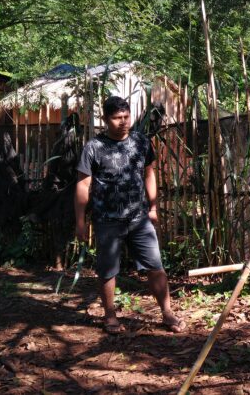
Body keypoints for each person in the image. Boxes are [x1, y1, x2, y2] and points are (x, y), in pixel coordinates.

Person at [75, 96, 185, 335]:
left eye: (126, 117)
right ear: (105, 119)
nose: (123, 122)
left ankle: (167, 313)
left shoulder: (141, 142)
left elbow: (149, 174)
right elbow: (83, 185)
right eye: (117, 118)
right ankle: (110, 316)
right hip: (107, 220)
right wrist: (81, 221)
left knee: (155, 265)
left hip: (139, 219)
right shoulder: (94, 147)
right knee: (107, 270)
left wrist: (153, 207)